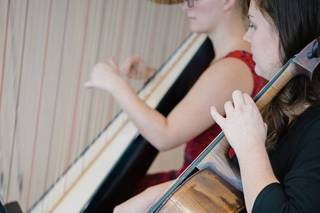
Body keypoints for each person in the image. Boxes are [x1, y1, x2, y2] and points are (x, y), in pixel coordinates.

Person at [114, 0, 320, 212]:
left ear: (287, 32)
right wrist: (157, 194)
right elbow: (234, 184)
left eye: (253, 25)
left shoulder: (314, 127)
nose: (247, 37)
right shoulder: (282, 104)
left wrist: (250, 147)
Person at [85, 0, 266, 194]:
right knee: (113, 192)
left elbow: (164, 136)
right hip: (195, 182)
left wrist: (115, 84)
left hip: (200, 192)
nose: (185, 6)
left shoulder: (231, 68)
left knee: (110, 198)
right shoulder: (233, 60)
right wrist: (151, 75)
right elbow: (203, 98)